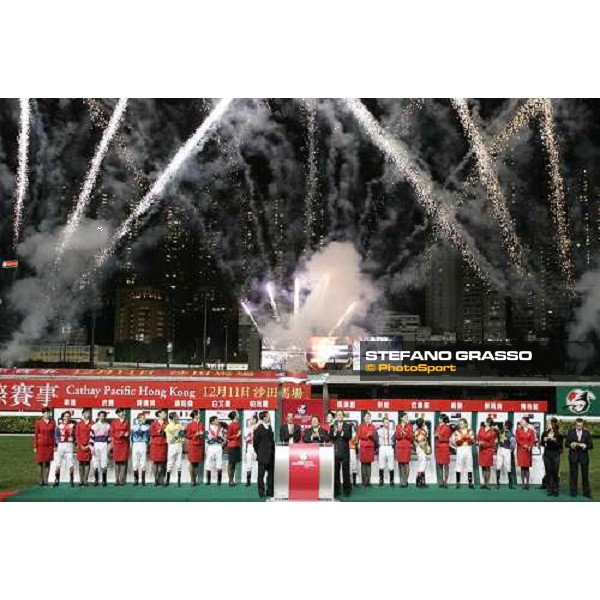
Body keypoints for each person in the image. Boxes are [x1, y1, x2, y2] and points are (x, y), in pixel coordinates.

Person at [565, 417, 593, 498]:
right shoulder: (571, 432)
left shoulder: (586, 433)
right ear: (575, 424)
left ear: (583, 425)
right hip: (573, 456)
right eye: (577, 425)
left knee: (585, 475)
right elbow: (566, 444)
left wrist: (585, 446)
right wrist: (571, 444)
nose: (579, 427)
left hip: (584, 456)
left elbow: (591, 445)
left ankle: (586, 493)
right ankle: (573, 492)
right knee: (573, 475)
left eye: (580, 425)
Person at [329, 409, 353, 496]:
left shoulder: (348, 426)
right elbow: (330, 437)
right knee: (336, 472)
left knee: (346, 472)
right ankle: (336, 490)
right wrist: (335, 432)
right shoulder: (332, 426)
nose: (339, 416)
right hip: (335, 452)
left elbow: (349, 436)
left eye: (341, 415)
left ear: (343, 416)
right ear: (336, 416)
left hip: (345, 452)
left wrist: (341, 432)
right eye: (338, 415)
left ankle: (347, 490)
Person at [253, 411, 275, 498]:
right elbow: (255, 443)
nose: (269, 417)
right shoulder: (259, 428)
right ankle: (261, 493)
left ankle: (270, 492)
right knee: (261, 475)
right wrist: (260, 453)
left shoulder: (269, 427)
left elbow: (271, 441)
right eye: (268, 415)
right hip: (262, 456)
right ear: (264, 418)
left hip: (271, 455)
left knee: (271, 475)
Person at [541, 417, 563, 497]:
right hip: (547, 454)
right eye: (549, 423)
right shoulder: (545, 433)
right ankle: (550, 489)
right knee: (548, 472)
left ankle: (556, 489)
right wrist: (546, 440)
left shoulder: (559, 434)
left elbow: (560, 445)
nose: (549, 424)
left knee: (555, 472)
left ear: (554, 424)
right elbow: (542, 443)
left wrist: (553, 440)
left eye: (550, 423)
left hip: (555, 455)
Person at [34, 406, 56, 486]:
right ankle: (40, 480)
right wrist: (35, 446)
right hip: (41, 445)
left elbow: (54, 434)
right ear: (43, 414)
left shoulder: (53, 422)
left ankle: (46, 480)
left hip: (49, 445)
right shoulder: (38, 422)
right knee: (40, 463)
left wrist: (54, 445)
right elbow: (36, 435)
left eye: (48, 413)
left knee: (47, 463)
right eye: (45, 413)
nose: (47, 414)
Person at [54, 411, 76, 487]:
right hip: (61, 445)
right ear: (63, 417)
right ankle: (57, 480)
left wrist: (74, 441)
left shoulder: (73, 425)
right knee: (58, 462)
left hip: (69, 445)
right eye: (66, 416)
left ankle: (71, 480)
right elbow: (56, 435)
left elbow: (75, 434)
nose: (67, 417)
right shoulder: (59, 425)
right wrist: (57, 442)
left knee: (71, 463)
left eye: (68, 416)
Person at [110, 408, 130, 486]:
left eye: (123, 412)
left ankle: (122, 480)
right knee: (117, 462)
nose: (123, 413)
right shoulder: (113, 422)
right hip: (116, 443)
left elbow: (128, 431)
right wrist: (120, 434)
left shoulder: (127, 421)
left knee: (123, 462)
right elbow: (112, 433)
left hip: (124, 443)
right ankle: (116, 480)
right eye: (121, 412)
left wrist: (127, 434)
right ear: (118, 413)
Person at [515, 417, 536, 490]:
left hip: (528, 451)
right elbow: (517, 440)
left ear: (526, 422)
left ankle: (527, 483)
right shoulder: (518, 430)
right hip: (521, 450)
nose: (521, 422)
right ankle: (523, 484)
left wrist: (530, 446)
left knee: (527, 467)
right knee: (522, 467)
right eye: (521, 421)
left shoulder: (531, 431)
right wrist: (524, 445)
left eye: (523, 421)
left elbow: (532, 440)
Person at [165, 412, 185, 486]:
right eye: (176, 416)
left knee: (179, 463)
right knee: (170, 463)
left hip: (179, 445)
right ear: (173, 417)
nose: (178, 417)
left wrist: (182, 438)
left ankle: (179, 481)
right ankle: (167, 481)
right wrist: (178, 437)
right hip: (172, 446)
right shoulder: (168, 426)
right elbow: (170, 440)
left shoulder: (179, 425)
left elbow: (182, 434)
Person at [454, 418, 475, 489]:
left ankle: (470, 483)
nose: (460, 425)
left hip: (468, 449)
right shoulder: (457, 431)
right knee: (458, 465)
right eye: (460, 424)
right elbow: (457, 442)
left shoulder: (470, 431)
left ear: (466, 424)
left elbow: (471, 441)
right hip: (460, 449)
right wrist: (465, 438)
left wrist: (463, 439)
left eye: (462, 424)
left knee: (469, 465)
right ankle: (458, 483)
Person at [477, 418, 497, 490]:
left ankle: (488, 483)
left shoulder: (492, 432)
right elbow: (478, 437)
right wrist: (478, 442)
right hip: (481, 450)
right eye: (487, 421)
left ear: (490, 423)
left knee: (487, 467)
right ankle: (484, 483)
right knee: (483, 466)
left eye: (488, 422)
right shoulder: (481, 429)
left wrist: (484, 443)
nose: (487, 423)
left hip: (488, 451)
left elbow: (492, 444)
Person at [91, 411, 110, 486]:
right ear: (98, 416)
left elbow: (109, 438)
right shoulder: (93, 426)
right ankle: (96, 480)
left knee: (104, 462)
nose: (102, 417)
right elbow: (91, 438)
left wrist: (109, 447)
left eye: (103, 416)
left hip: (104, 444)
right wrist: (92, 448)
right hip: (96, 444)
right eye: (101, 416)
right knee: (95, 461)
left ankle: (104, 481)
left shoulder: (108, 426)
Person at [131, 412, 150, 486]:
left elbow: (148, 437)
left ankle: (143, 480)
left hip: (143, 444)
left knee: (143, 462)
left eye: (144, 418)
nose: (144, 419)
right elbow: (131, 437)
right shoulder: (133, 427)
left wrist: (147, 445)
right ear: (138, 418)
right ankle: (136, 480)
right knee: (135, 462)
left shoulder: (147, 427)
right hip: (135, 444)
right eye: (142, 418)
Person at [185, 410, 204, 486]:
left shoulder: (201, 424)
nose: (199, 415)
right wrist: (195, 435)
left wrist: (201, 434)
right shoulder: (189, 425)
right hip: (192, 445)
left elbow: (203, 434)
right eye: (198, 414)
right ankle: (192, 480)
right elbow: (188, 435)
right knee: (192, 463)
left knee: (197, 463)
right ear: (195, 415)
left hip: (199, 445)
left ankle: (195, 480)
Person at [357, 412, 376, 486]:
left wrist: (371, 435)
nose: (367, 418)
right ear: (364, 418)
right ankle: (364, 481)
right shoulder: (361, 426)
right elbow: (359, 435)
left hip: (370, 447)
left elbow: (374, 436)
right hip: (363, 447)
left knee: (369, 464)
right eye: (366, 417)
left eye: (369, 417)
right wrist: (366, 435)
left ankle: (368, 481)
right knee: (363, 464)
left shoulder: (373, 426)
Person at [150, 409, 168, 486]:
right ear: (159, 414)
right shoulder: (154, 424)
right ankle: (155, 480)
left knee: (162, 463)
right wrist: (159, 431)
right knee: (155, 463)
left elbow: (168, 433)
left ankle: (160, 479)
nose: (165, 414)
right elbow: (152, 433)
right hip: (155, 445)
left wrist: (162, 432)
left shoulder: (167, 423)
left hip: (163, 444)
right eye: (164, 413)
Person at [75, 408, 93, 486]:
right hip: (80, 446)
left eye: (88, 413)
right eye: (86, 413)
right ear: (83, 414)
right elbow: (77, 435)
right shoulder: (79, 424)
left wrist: (89, 445)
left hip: (89, 446)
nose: (87, 414)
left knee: (87, 463)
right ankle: (81, 480)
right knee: (80, 463)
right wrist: (80, 445)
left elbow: (93, 435)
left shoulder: (93, 424)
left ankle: (85, 480)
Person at [205, 416, 225, 485]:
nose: (218, 421)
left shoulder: (221, 429)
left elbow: (223, 438)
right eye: (216, 420)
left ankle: (219, 481)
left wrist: (219, 439)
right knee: (208, 463)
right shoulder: (208, 430)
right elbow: (206, 439)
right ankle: (208, 481)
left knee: (219, 463)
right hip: (211, 447)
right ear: (212, 422)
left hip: (218, 447)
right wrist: (213, 440)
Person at [395, 412, 413, 487]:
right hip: (399, 446)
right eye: (405, 417)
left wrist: (405, 434)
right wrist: (400, 434)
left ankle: (405, 481)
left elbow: (411, 436)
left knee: (406, 463)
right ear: (401, 418)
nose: (406, 418)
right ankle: (402, 480)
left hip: (407, 446)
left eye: (407, 417)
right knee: (401, 464)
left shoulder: (410, 426)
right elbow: (396, 436)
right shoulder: (398, 426)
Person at [496, 420, 516, 489]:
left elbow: (513, 444)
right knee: (498, 465)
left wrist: (511, 450)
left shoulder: (511, 434)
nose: (504, 425)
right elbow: (497, 439)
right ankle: (497, 483)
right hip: (500, 449)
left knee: (508, 466)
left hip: (507, 450)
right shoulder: (500, 431)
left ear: (507, 426)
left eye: (505, 424)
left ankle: (510, 484)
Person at [376, 416, 395, 486]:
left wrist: (392, 447)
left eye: (388, 423)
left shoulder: (393, 431)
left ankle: (391, 480)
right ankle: (381, 480)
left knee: (391, 465)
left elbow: (395, 440)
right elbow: (376, 439)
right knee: (381, 464)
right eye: (385, 423)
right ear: (383, 423)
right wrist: (379, 446)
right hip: (382, 448)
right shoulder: (378, 430)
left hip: (390, 447)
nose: (387, 424)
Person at [435, 414, 452, 488]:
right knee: (439, 465)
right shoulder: (438, 426)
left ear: (442, 419)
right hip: (438, 447)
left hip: (445, 447)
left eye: (440, 418)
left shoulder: (447, 427)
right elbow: (436, 435)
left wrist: (439, 437)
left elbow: (447, 439)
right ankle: (441, 481)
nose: (439, 419)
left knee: (446, 465)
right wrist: (436, 436)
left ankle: (446, 481)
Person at [226, 411, 242, 486]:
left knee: (234, 464)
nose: (238, 415)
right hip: (232, 446)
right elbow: (228, 436)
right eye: (237, 414)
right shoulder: (231, 425)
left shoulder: (237, 424)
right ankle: (230, 480)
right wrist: (236, 435)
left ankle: (232, 479)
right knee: (231, 463)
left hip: (237, 446)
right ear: (234, 416)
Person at [413, 418, 430, 488]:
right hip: (421, 448)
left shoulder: (416, 431)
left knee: (422, 464)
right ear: (422, 423)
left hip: (419, 448)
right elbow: (422, 441)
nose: (424, 423)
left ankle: (421, 482)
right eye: (423, 422)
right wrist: (424, 447)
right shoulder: (422, 431)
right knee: (422, 465)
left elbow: (415, 441)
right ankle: (418, 481)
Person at [244, 414, 258, 486]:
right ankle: (248, 480)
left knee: (258, 464)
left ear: (255, 420)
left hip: (257, 448)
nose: (250, 420)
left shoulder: (259, 427)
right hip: (249, 447)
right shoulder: (247, 429)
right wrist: (250, 437)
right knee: (248, 464)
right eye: (250, 419)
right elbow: (245, 439)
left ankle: (258, 480)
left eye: (251, 419)